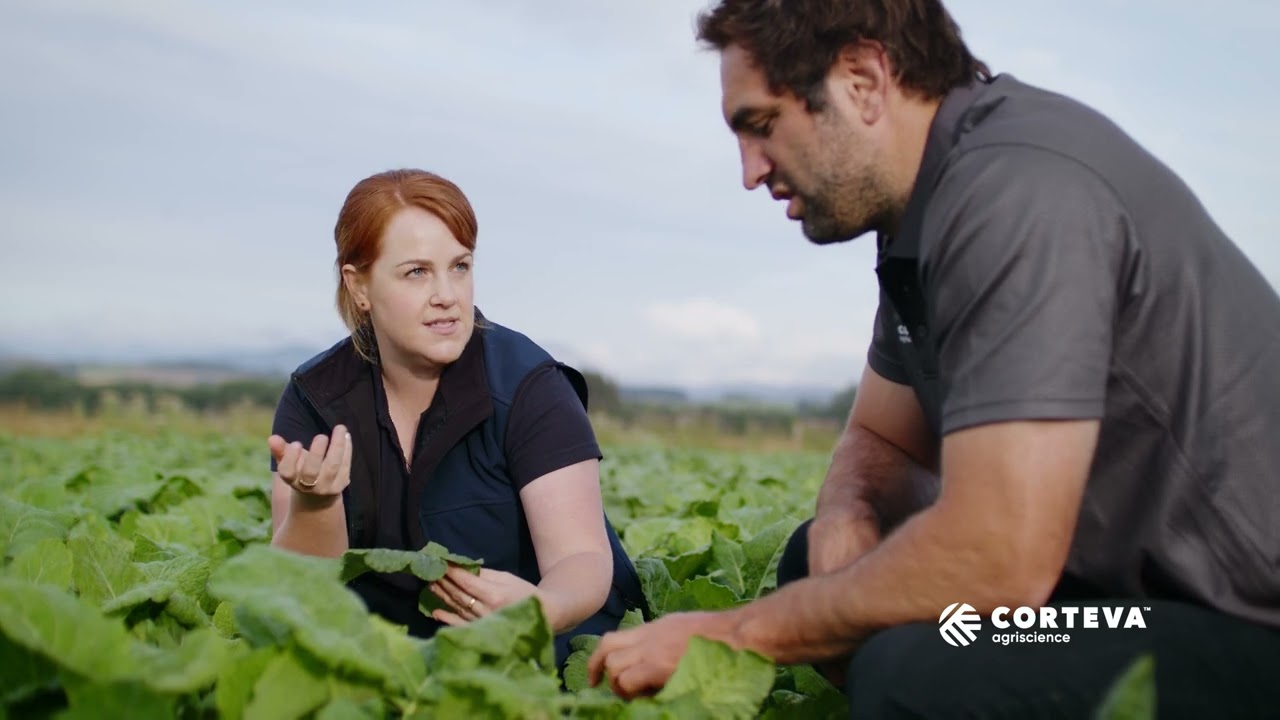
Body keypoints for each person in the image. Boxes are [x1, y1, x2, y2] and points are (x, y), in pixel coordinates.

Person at [587, 1, 1280, 716]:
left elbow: (1000, 556)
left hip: (1239, 620)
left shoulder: (1017, 192)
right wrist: (848, 511)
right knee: (814, 562)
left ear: (862, 79)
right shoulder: (926, 209)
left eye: (762, 126)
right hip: (1116, 594)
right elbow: (882, 437)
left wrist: (733, 634)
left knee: (916, 668)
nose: (750, 170)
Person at [267, 168, 646, 669]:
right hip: (390, 664)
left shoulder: (529, 384)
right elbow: (301, 587)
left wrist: (540, 609)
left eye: (460, 266)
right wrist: (315, 504)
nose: (446, 294)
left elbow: (583, 561)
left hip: (541, 657)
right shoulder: (316, 398)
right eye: (416, 272)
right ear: (359, 286)